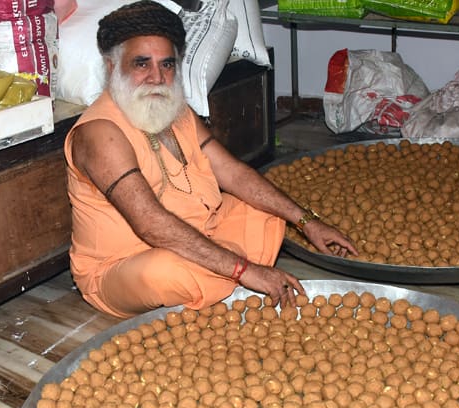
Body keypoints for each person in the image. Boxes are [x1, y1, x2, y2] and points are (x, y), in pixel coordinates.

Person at [64, 0, 357, 320]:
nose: (157, 77)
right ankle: (224, 273)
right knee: (164, 271)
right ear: (112, 67)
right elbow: (151, 225)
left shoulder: (173, 109)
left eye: (167, 64)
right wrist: (245, 269)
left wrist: (307, 222)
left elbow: (232, 172)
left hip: (197, 229)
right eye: (141, 64)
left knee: (268, 212)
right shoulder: (98, 133)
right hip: (126, 263)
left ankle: (218, 274)